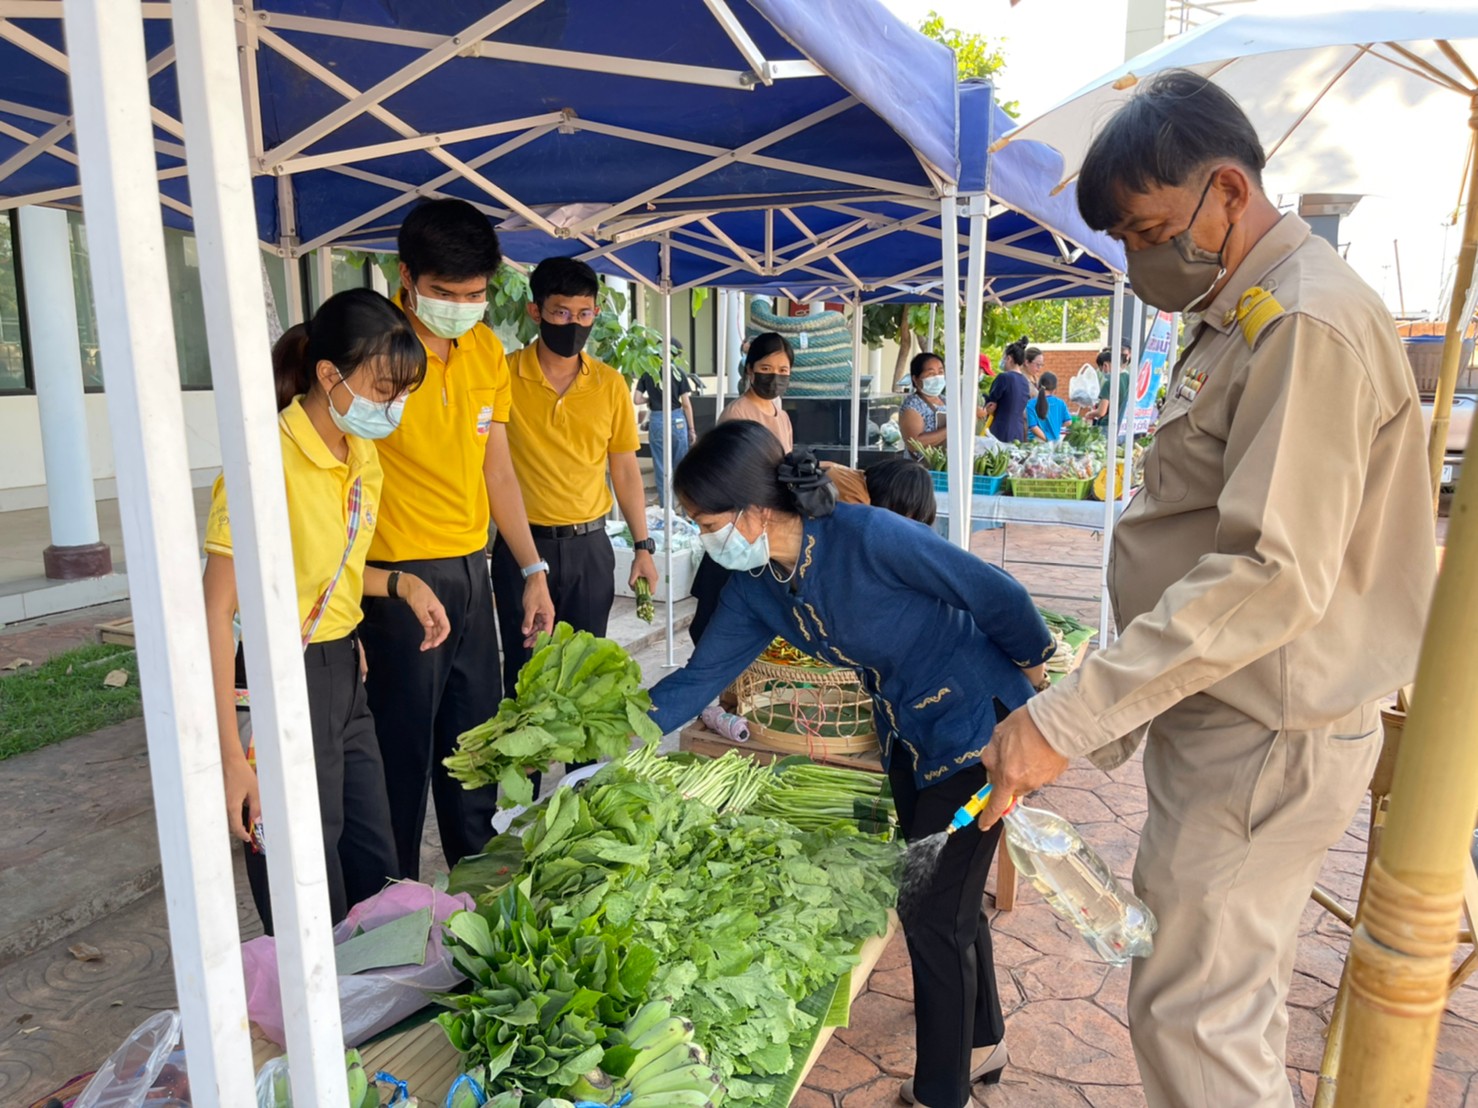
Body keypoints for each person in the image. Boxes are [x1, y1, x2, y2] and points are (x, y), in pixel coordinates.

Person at [977, 70, 1436, 1108]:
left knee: (1191, 1020)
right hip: (1232, 715)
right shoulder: (1247, 309)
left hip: (1262, 727)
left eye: (1144, 229)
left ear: (1225, 190)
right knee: (1220, 1004)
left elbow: (1268, 574)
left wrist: (1070, 716)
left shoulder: (1303, 326)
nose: (1135, 258)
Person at [648, 421, 1055, 1108]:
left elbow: (998, 596)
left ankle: (943, 1091)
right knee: (948, 902)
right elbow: (698, 679)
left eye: (705, 521)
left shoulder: (865, 537)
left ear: (752, 511)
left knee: (929, 910)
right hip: (908, 736)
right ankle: (983, 1042)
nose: (700, 536)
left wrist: (1035, 701)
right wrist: (604, 725)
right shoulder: (757, 588)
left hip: (977, 730)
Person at [204, 289, 449, 933]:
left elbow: (326, 564)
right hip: (282, 676)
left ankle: (369, 1009)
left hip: (342, 667)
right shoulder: (264, 463)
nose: (393, 406)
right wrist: (230, 756)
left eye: (403, 393)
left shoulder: (360, 453)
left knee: (375, 859)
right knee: (304, 871)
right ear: (328, 374)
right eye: (384, 389)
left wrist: (400, 586)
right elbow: (214, 610)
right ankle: (319, 1013)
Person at [359, 199, 555, 879]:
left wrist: (531, 567)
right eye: (444, 293)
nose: (460, 306)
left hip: (473, 571)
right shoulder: (370, 349)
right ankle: (391, 906)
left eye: (475, 294)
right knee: (400, 760)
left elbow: (496, 465)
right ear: (406, 274)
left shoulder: (485, 350)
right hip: (397, 580)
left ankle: (482, 902)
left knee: (476, 752)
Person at [494, 257, 658, 695]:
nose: (573, 324)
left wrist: (643, 547)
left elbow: (624, 468)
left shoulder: (609, 384)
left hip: (591, 549)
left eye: (584, 314)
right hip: (523, 548)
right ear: (536, 312)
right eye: (561, 313)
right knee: (525, 674)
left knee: (586, 677)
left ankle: (582, 768)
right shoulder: (504, 376)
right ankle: (523, 766)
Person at [635, 359, 696, 509]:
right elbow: (686, 404)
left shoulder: (647, 372)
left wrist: (650, 399)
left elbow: (636, 400)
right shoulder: (678, 372)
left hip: (657, 420)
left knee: (661, 466)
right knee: (681, 467)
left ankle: (667, 510)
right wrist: (692, 429)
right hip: (677, 419)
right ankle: (685, 510)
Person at [719, 331, 793, 450]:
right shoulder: (736, 415)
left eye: (783, 370)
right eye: (765, 368)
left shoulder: (783, 417)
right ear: (750, 369)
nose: (774, 376)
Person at [983, 338, 1033, 443]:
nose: (1002, 361)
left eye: (1003, 358)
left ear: (1009, 358)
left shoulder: (1004, 377)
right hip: (1018, 432)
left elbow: (991, 404)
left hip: (1000, 430)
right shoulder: (1025, 382)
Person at [1094, 346, 1132, 431]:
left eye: (1101, 369)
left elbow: (1101, 412)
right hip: (1124, 425)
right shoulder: (1129, 378)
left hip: (1108, 425)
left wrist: (1089, 414)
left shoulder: (1109, 384)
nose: (1102, 372)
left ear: (1105, 365)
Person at [1026, 372, 1071, 442]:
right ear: (1055, 389)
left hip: (1036, 442)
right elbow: (1068, 422)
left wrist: (1046, 439)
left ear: (1039, 386)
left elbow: (1033, 426)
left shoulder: (1031, 404)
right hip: (1055, 441)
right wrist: (1056, 425)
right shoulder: (1060, 403)